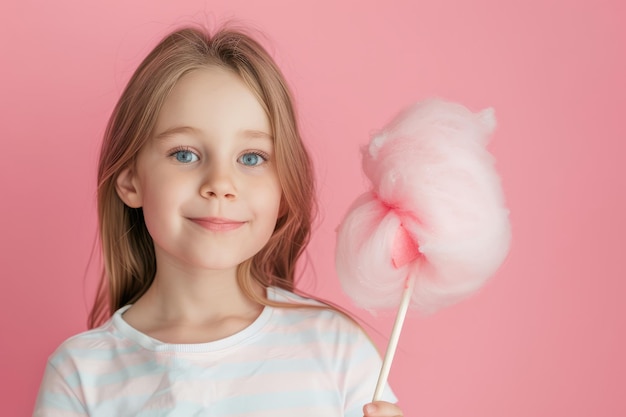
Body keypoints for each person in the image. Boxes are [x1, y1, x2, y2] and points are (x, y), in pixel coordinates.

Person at [33, 26, 403, 417]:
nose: (221, 185)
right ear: (130, 180)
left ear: (282, 190)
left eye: (252, 158)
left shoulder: (338, 349)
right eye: (185, 154)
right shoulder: (79, 375)